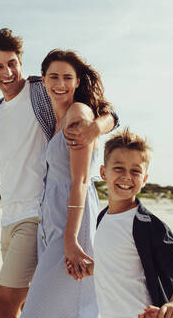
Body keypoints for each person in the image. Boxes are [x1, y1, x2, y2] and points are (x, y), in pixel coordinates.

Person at [0, 30, 117, 318]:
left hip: (38, 215)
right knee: (32, 304)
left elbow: (105, 112)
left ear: (21, 63)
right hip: (10, 220)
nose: (8, 73)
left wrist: (95, 129)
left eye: (13, 63)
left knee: (2, 305)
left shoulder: (42, 90)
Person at [20, 49, 112, 318]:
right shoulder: (58, 119)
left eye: (67, 78)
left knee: (41, 310)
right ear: (44, 79)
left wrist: (71, 240)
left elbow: (80, 181)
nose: (60, 84)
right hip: (52, 225)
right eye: (54, 77)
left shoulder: (78, 114)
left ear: (77, 82)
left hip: (71, 225)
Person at [79, 128, 173, 318]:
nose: (126, 176)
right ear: (103, 172)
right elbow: (117, 264)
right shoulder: (102, 218)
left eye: (135, 171)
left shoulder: (146, 224)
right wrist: (89, 268)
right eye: (118, 168)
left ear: (145, 179)